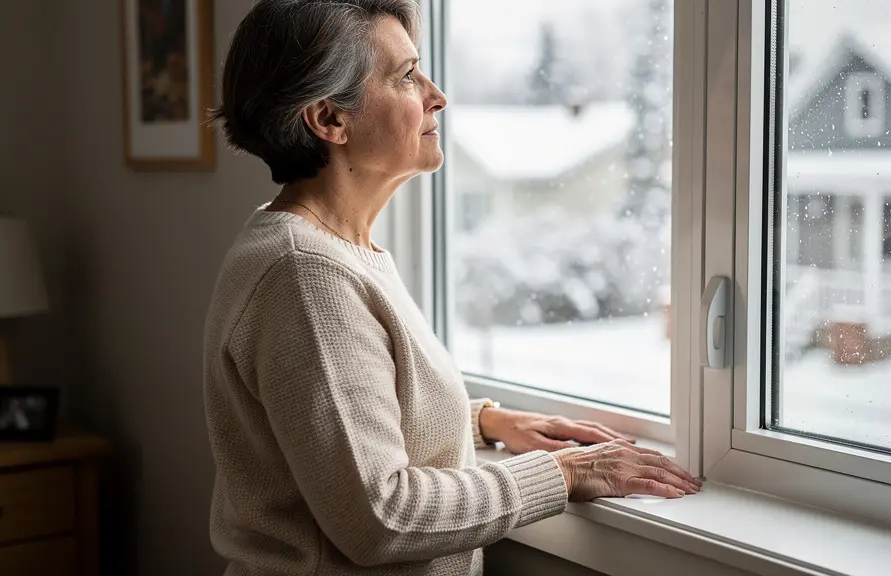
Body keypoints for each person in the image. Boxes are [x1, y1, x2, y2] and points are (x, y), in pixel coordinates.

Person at [203, 1, 701, 574]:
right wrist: (566, 473)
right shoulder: (307, 277)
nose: (436, 96)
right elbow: (381, 516)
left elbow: (336, 426)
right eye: (407, 76)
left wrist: (480, 422)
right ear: (330, 120)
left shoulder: (324, 250)